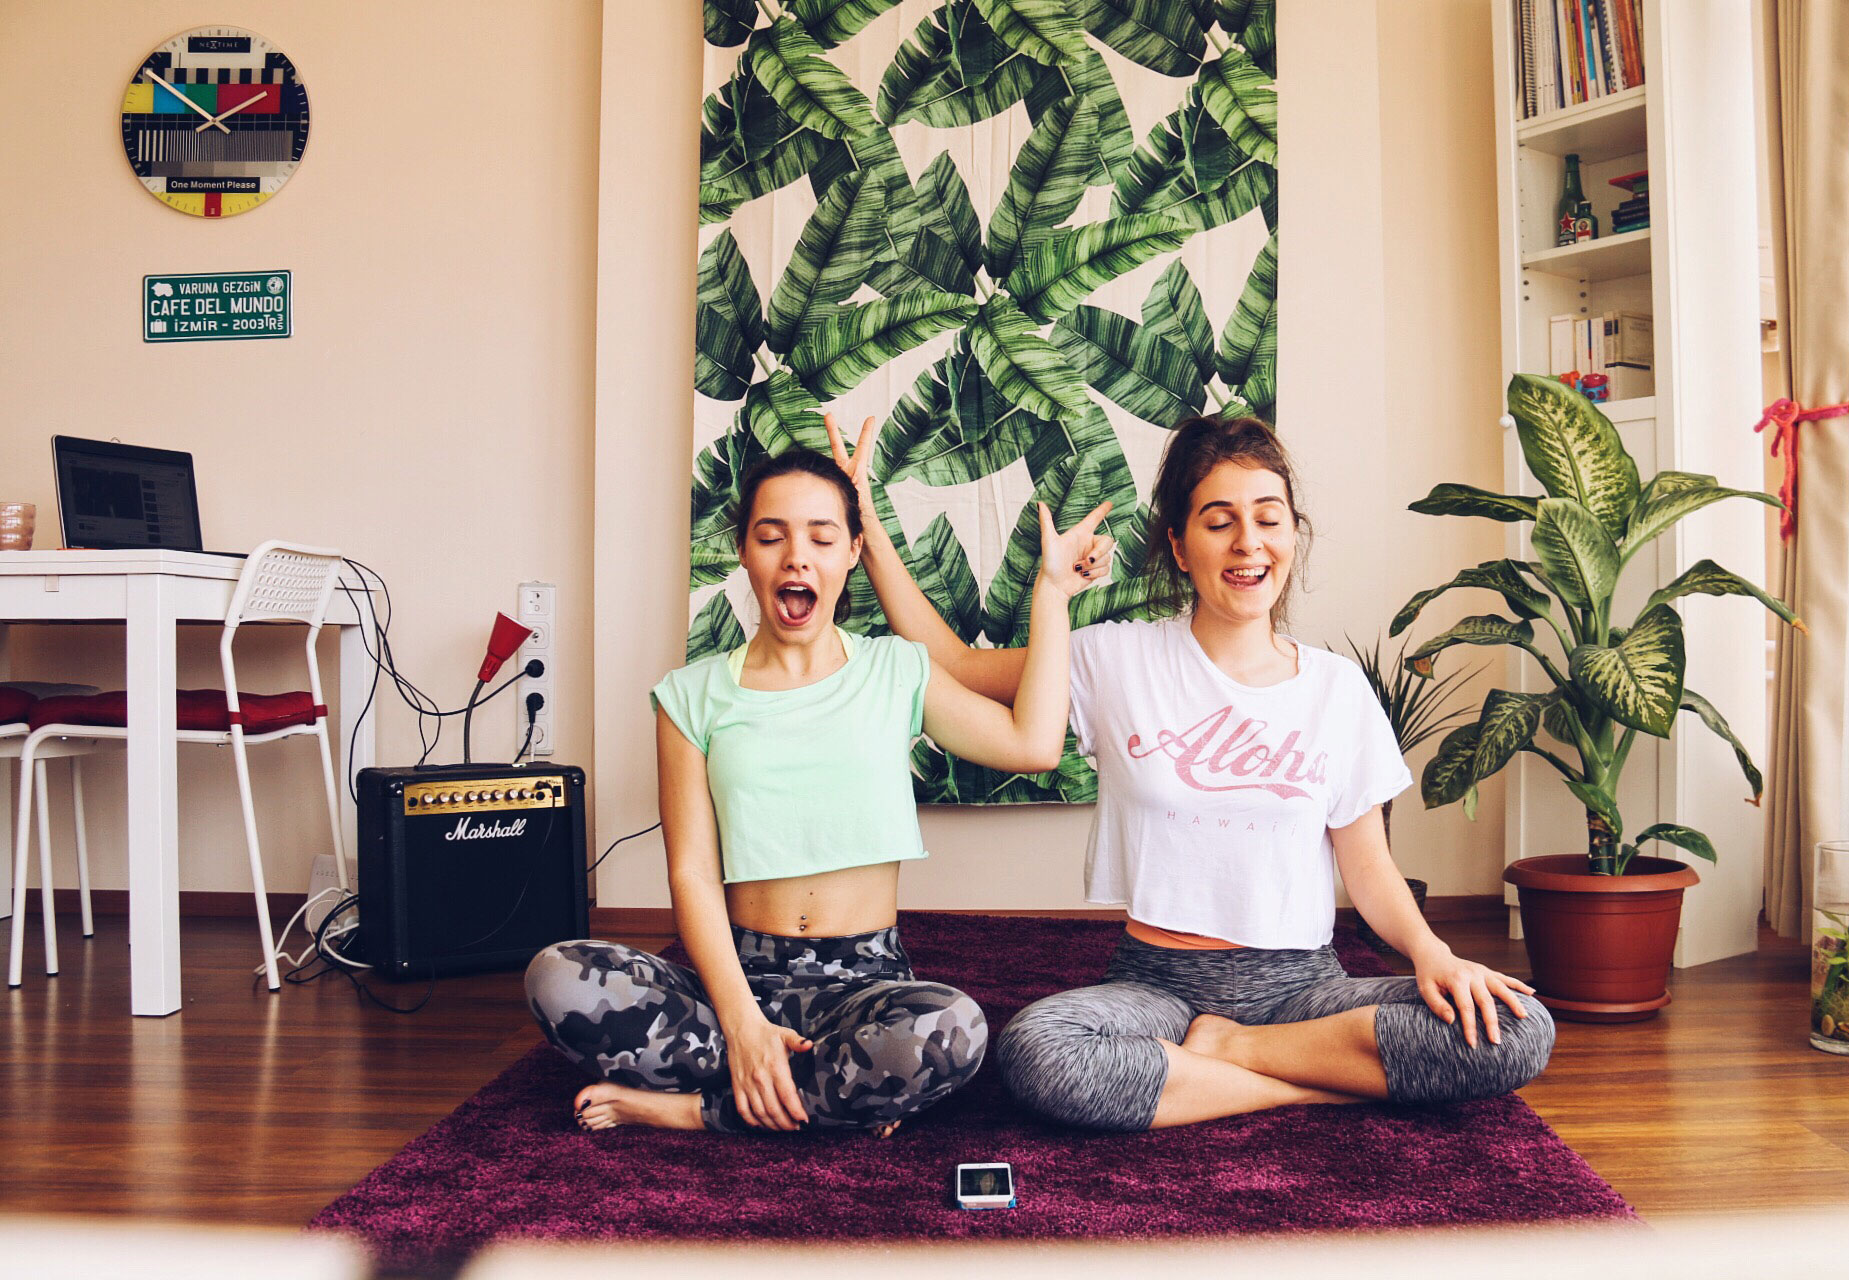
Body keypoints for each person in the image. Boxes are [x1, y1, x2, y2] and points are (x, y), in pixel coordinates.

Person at [836, 411, 1555, 1131]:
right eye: (1219, 522)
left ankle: (1230, 1054)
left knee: (1519, 1026)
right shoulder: (1115, 660)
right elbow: (955, 664)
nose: (1249, 542)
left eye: (1268, 519)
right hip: (1157, 987)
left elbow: (1368, 869)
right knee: (1040, 1052)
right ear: (1179, 547)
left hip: (1303, 987)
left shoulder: (1337, 689)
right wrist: (862, 525)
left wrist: (1435, 955)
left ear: (1292, 537)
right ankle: (1307, 1078)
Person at [525, 445, 1110, 1136]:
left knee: (953, 1027)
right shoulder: (690, 696)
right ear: (744, 551)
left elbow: (1033, 744)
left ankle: (700, 1109)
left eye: (822, 537)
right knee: (554, 974)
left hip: (865, 984)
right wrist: (742, 1021)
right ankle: (834, 1089)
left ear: (854, 551)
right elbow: (690, 871)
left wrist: (1051, 592)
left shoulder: (897, 670)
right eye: (771, 537)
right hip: (735, 979)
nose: (796, 556)